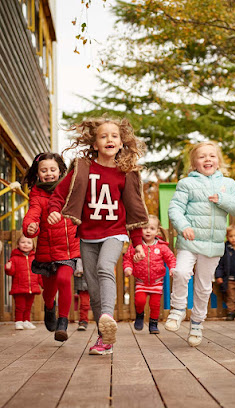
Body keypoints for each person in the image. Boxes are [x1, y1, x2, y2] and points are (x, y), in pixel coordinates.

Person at [48, 116, 148, 355]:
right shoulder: (83, 168)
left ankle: (106, 314)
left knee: (105, 267)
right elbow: (60, 194)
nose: (109, 139)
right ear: (95, 144)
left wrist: (137, 244)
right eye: (103, 136)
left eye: (114, 136)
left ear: (122, 142)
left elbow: (134, 210)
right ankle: (105, 339)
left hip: (115, 232)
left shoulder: (127, 173)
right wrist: (53, 210)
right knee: (93, 290)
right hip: (88, 236)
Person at [165, 141, 235, 347]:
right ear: (194, 164)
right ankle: (177, 309)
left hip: (213, 244)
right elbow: (174, 208)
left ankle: (197, 323)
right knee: (182, 272)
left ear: (218, 161)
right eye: (202, 157)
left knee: (203, 287)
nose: (207, 159)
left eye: (211, 156)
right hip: (189, 240)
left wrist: (222, 199)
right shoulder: (187, 184)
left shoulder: (228, 184)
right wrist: (183, 226)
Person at [22, 152, 80, 341]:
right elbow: (33, 214)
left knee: (64, 280)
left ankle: (63, 322)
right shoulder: (37, 195)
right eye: (44, 170)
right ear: (38, 173)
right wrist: (30, 227)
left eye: (52, 169)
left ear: (60, 170)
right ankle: (49, 307)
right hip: (48, 250)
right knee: (49, 290)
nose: (49, 173)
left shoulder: (70, 190)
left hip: (69, 248)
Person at [123, 214, 176, 334]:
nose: (148, 231)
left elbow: (171, 258)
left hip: (157, 281)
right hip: (141, 281)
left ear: (157, 231)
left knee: (155, 304)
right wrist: (128, 268)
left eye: (151, 228)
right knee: (140, 301)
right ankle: (140, 316)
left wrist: (172, 268)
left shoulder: (161, 247)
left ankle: (153, 323)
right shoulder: (136, 246)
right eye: (145, 228)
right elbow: (128, 259)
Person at [5, 235, 42, 330]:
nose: (26, 244)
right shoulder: (14, 258)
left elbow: (39, 273)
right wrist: (8, 268)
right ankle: (18, 321)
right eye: (23, 242)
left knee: (28, 306)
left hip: (32, 287)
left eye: (29, 242)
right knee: (20, 306)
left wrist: (43, 284)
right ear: (18, 244)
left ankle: (26, 321)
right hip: (19, 287)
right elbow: (11, 272)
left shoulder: (35, 259)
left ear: (33, 245)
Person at [73, 258, 90, 331]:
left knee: (99, 301)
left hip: (95, 278)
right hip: (82, 280)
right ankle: (83, 320)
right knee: (84, 303)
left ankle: (102, 320)